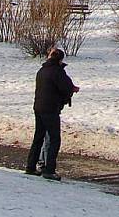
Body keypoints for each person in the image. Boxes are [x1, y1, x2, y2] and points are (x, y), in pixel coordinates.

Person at [25, 48, 79, 181]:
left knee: (38, 137)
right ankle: (49, 170)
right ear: (60, 59)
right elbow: (66, 87)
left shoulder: (42, 70)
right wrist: (72, 90)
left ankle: (30, 167)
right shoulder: (57, 72)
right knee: (54, 139)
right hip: (50, 109)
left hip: (38, 107)